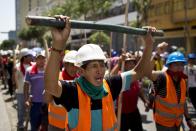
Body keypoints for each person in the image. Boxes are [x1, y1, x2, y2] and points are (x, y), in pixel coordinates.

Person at [44, 16, 155, 131]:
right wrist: (58, 44)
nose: (100, 70)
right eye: (94, 66)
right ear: (81, 71)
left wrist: (149, 45)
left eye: (102, 65)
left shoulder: (110, 85)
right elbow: (50, 85)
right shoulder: (72, 91)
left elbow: (139, 71)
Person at [148, 51, 196, 131]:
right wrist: (157, 53)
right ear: (169, 66)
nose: (179, 67)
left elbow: (183, 102)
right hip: (163, 124)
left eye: (181, 64)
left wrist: (188, 119)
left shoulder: (183, 81)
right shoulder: (162, 78)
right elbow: (148, 73)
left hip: (177, 122)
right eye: (176, 64)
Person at [110, 53, 149, 131]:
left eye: (132, 63)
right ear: (124, 64)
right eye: (128, 63)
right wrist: (119, 62)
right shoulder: (120, 76)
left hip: (134, 111)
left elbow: (140, 91)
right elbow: (111, 77)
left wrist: (145, 100)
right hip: (121, 113)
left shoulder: (135, 76)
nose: (131, 65)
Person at [47, 50, 79, 131]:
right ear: (65, 64)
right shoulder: (56, 78)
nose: (75, 68)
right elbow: (47, 98)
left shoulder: (81, 80)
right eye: (72, 65)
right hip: (56, 125)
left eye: (77, 65)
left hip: (73, 125)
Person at [24, 50, 47, 131]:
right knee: (34, 126)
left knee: (45, 127)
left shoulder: (49, 70)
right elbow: (26, 86)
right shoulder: (29, 70)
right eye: (39, 58)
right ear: (35, 59)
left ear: (45, 59)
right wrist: (26, 99)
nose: (41, 60)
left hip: (47, 103)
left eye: (43, 58)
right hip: (34, 103)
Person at [13, 48, 33, 130]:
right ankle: (20, 124)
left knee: (31, 110)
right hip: (20, 92)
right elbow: (14, 80)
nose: (31, 57)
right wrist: (13, 72)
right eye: (29, 56)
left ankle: (31, 125)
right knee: (21, 110)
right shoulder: (17, 67)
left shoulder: (33, 66)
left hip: (31, 92)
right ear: (24, 57)